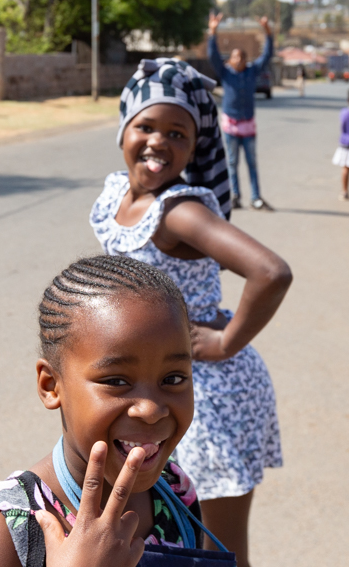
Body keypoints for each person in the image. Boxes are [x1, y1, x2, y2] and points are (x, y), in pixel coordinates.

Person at [90, 58, 292, 567]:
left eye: (178, 133)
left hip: (210, 398)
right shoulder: (120, 193)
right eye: (147, 126)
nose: (159, 142)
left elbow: (271, 271)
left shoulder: (179, 210)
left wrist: (224, 343)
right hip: (158, 387)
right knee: (168, 534)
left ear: (195, 147)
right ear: (123, 130)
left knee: (215, 549)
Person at [0, 256, 214, 567]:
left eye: (173, 379)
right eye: (116, 381)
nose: (150, 410)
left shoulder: (174, 492)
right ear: (51, 385)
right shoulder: (3, 535)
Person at [207, 12, 275, 211]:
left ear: (246, 60)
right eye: (235, 56)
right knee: (232, 163)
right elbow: (213, 56)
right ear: (231, 60)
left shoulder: (252, 72)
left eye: (241, 57)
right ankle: (235, 196)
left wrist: (267, 32)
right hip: (231, 125)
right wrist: (213, 31)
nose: (238, 59)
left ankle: (256, 197)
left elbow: (267, 55)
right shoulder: (226, 73)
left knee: (252, 163)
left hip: (248, 125)